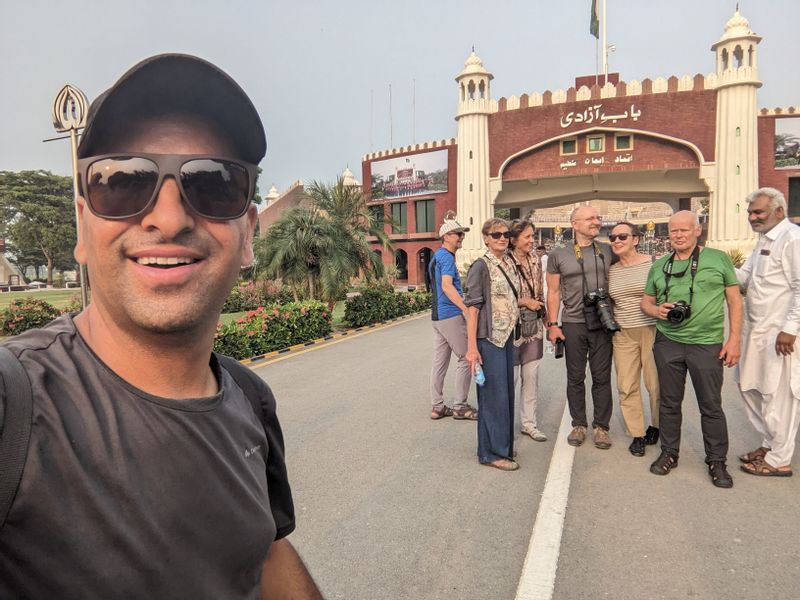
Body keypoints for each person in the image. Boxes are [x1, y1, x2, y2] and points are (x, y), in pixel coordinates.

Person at [0, 54, 322, 598]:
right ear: (82, 224)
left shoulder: (249, 398)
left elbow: (265, 551)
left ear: (247, 235)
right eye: (122, 182)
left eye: (213, 183)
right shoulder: (17, 402)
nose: (168, 219)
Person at [641, 210, 742, 488]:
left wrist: (734, 340)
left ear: (697, 231)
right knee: (670, 403)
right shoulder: (660, 265)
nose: (679, 235)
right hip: (668, 342)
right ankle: (669, 453)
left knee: (710, 405)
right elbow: (646, 302)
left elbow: (734, 301)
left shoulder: (718, 259)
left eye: (685, 230)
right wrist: (656, 310)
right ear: (668, 233)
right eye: (674, 230)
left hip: (706, 343)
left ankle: (717, 461)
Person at [736, 188, 800, 477]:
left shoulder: (792, 239)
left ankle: (779, 459)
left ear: (778, 211)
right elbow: (744, 277)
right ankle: (769, 442)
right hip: (757, 332)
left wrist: (790, 329)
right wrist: (711, 267)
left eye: (758, 212)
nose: (752, 217)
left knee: (778, 396)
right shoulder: (763, 240)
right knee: (748, 385)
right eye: (750, 212)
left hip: (780, 336)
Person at [546, 206, 616, 449]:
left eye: (598, 217)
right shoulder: (559, 255)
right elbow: (553, 292)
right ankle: (578, 424)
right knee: (575, 377)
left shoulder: (608, 250)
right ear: (574, 224)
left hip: (602, 322)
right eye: (590, 219)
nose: (596, 222)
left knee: (602, 377)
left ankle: (601, 427)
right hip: (573, 323)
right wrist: (553, 324)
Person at [464, 218, 527, 471]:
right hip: (488, 340)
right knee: (493, 397)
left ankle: (500, 448)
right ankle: (492, 453)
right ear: (486, 238)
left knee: (505, 395)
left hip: (506, 337)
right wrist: (471, 348)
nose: (502, 238)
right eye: (496, 234)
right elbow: (472, 309)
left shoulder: (509, 263)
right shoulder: (481, 266)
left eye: (506, 234)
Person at [607, 222, 660, 457]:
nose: (616, 241)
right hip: (623, 333)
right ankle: (637, 433)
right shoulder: (612, 270)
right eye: (613, 237)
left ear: (636, 239)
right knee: (626, 385)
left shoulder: (653, 265)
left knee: (655, 384)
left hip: (652, 330)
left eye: (622, 236)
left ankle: (657, 426)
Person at [428, 212, 477, 421]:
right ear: (446, 236)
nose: (461, 237)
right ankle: (460, 406)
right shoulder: (446, 257)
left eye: (462, 234)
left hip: (438, 316)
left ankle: (437, 407)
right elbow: (447, 286)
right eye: (458, 233)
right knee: (466, 358)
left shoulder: (437, 256)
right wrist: (465, 310)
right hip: (450, 315)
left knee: (440, 362)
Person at [509, 219, 547, 441]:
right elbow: (500, 299)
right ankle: (505, 424)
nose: (532, 241)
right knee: (511, 379)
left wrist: (547, 322)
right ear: (514, 240)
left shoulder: (535, 259)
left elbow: (540, 293)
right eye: (528, 237)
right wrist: (525, 302)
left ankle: (529, 423)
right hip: (511, 328)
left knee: (531, 376)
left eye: (533, 236)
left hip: (533, 326)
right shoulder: (504, 261)